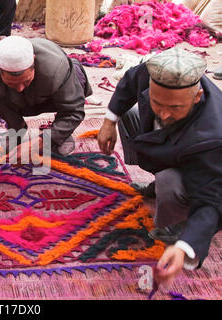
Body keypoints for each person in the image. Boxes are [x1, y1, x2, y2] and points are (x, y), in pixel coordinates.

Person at [97, 47, 222, 285]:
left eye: (175, 107)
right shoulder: (151, 72)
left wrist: (185, 246)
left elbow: (211, 201)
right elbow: (129, 81)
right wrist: (108, 122)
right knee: (129, 115)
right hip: (174, 147)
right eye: (156, 102)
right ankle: (161, 176)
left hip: (206, 170)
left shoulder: (212, 138)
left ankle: (174, 226)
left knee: (169, 181)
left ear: (196, 97)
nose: (163, 114)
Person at [0, 36, 92, 190]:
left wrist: (41, 142)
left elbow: (74, 111)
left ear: (34, 61)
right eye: (12, 83)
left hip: (49, 95)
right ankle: (16, 131)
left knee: (75, 82)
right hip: (8, 100)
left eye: (26, 81)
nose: (20, 89)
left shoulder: (56, 66)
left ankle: (59, 134)